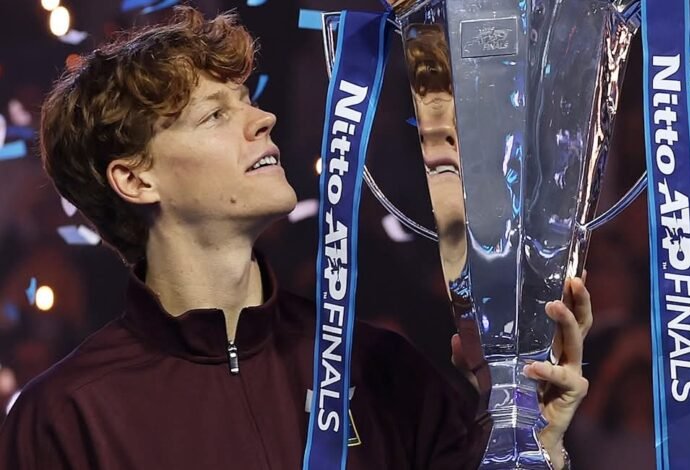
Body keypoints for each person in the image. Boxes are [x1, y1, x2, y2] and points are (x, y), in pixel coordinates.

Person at [0, 6, 591, 469]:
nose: (264, 119)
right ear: (135, 179)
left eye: (246, 101)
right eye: (214, 115)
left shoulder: (382, 370)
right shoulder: (68, 416)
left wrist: (534, 440)